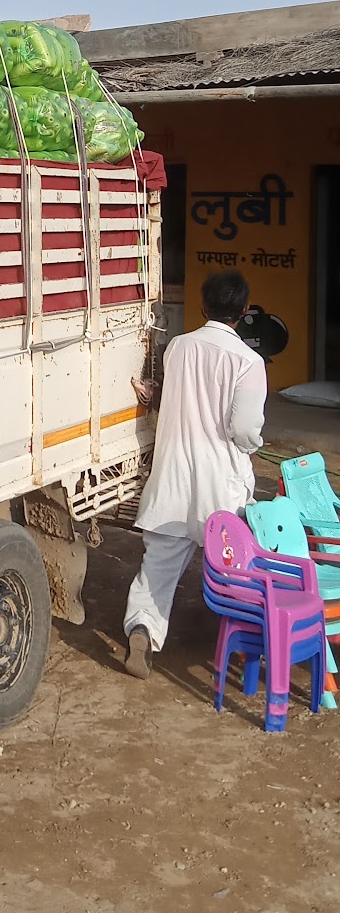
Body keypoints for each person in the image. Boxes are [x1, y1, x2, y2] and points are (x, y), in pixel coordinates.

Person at [123, 271, 267, 679]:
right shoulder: (249, 362)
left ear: (203, 307)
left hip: (172, 479)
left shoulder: (179, 348)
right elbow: (244, 430)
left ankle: (142, 630)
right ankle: (241, 643)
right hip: (221, 487)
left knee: (158, 568)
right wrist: (254, 442)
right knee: (236, 570)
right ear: (243, 312)